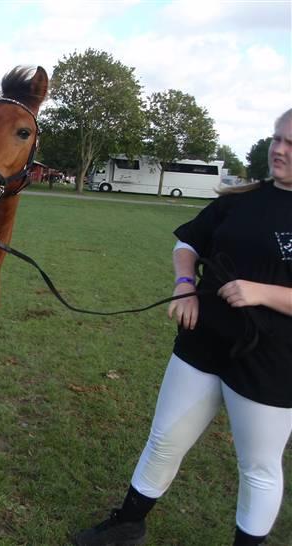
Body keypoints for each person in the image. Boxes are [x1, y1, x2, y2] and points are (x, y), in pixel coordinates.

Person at [74, 109, 292, 546]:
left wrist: (261, 293)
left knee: (259, 468)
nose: (280, 150)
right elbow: (188, 242)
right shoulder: (241, 197)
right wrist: (183, 285)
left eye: (291, 144)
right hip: (202, 343)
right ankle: (128, 524)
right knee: (165, 439)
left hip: (269, 360)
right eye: (277, 138)